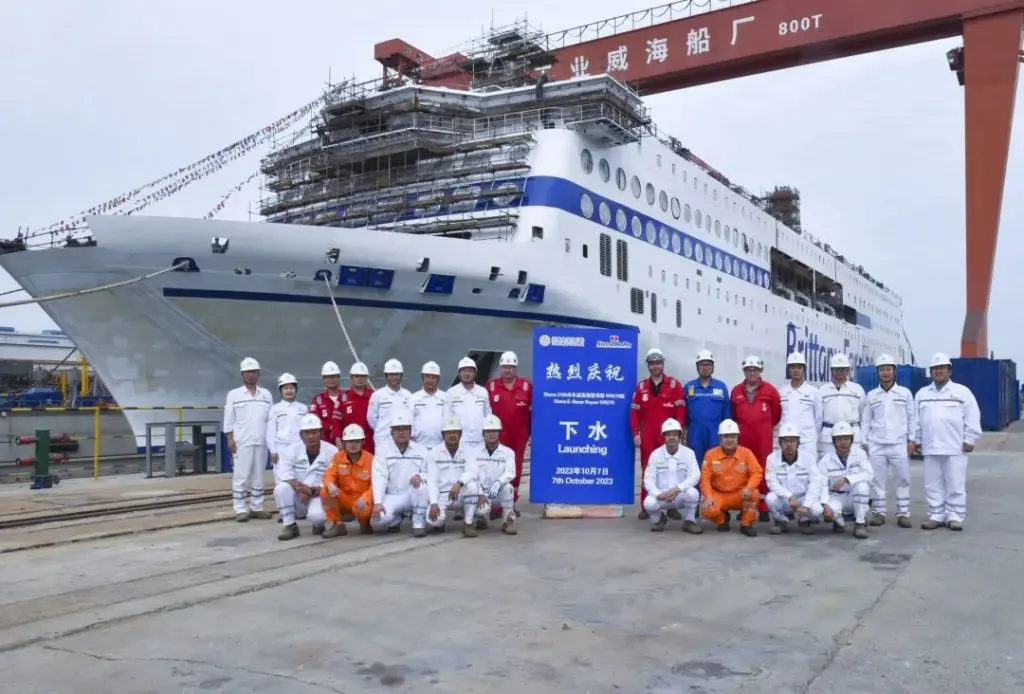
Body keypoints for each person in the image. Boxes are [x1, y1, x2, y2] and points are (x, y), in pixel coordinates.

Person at [911, 352, 982, 531]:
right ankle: (936, 514)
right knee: (932, 484)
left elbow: (972, 416)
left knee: (955, 483)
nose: (939, 371)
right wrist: (916, 440)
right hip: (930, 446)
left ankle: (955, 516)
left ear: (949, 370)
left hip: (955, 446)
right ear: (931, 372)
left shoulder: (961, 392)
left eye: (942, 368)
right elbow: (916, 421)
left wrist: (970, 438)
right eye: (935, 369)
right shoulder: (922, 394)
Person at [630, 347, 686, 519]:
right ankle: (646, 506)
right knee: (648, 469)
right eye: (652, 363)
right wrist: (635, 433)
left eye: (658, 363)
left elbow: (681, 411)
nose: (655, 367)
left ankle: (671, 506)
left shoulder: (674, 385)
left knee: (672, 470)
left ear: (663, 364)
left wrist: (679, 432)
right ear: (648, 366)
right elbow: (634, 413)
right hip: (648, 434)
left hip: (668, 435)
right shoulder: (641, 387)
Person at [862, 353, 916, 528]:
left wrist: (912, 440)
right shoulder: (872, 395)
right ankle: (879, 513)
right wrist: (864, 441)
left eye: (888, 369)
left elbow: (912, 418)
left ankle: (903, 513)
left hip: (899, 443)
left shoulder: (905, 393)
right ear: (878, 372)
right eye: (882, 370)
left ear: (894, 371)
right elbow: (866, 420)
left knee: (902, 479)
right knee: (877, 480)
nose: (885, 373)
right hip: (876, 444)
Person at [223, 357, 274, 523]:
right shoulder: (234, 395)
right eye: (248, 372)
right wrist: (230, 439)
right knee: (241, 476)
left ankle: (257, 507)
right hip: (242, 441)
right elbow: (229, 419)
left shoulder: (266, 395)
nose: (251, 375)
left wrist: (272, 442)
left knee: (259, 475)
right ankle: (240, 509)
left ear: (258, 374)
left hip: (261, 441)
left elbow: (271, 420)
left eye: (254, 372)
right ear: (242, 374)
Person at [730, 355, 781, 518]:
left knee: (764, 469)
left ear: (761, 371)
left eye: (755, 370)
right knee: (743, 470)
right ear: (744, 371)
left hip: (763, 437)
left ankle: (763, 505)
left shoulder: (771, 391)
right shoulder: (736, 391)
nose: (752, 373)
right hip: (743, 437)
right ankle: (746, 506)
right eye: (748, 370)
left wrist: (763, 426)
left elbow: (777, 415)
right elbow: (733, 415)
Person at [274, 414, 337, 540]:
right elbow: (285, 474)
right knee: (281, 488)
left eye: (314, 432)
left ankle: (318, 525)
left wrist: (313, 491)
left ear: (321, 433)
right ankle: (290, 525)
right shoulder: (291, 450)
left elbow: (335, 479)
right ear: (301, 435)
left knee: (317, 517)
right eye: (307, 433)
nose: (311, 436)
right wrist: (302, 489)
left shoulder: (332, 451)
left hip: (319, 495)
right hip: (299, 496)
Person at [370, 409, 431, 536]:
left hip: (413, 494)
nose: (401, 432)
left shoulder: (422, 450)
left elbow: (430, 473)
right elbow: (379, 477)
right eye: (398, 429)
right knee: (379, 520)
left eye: (405, 428)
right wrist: (378, 502)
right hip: (393, 495)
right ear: (391, 432)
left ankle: (418, 522)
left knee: (422, 488)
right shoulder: (382, 451)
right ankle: (396, 519)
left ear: (410, 431)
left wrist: (420, 476)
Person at [699, 418, 762, 537]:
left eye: (733, 436)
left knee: (754, 493)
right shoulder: (710, 454)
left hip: (741, 494)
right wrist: (708, 496)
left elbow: (757, 472)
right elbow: (705, 478)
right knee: (707, 509)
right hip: (719, 494)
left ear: (738, 437)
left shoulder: (747, 453)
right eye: (726, 436)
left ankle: (746, 523)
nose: (729, 440)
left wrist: (749, 487)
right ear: (720, 438)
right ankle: (722, 520)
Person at [486, 351, 532, 512]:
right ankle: (495, 503)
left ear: (516, 368)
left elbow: (536, 410)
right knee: (497, 467)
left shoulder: (526, 386)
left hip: (520, 435)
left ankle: (511, 502)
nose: (507, 370)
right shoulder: (491, 387)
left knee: (516, 468)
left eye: (510, 367)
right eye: (504, 367)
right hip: (498, 436)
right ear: (500, 368)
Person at [422, 415, 481, 537]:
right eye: (448, 432)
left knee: (473, 486)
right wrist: (433, 503)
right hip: (442, 495)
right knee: (433, 521)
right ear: (443, 435)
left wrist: (459, 483)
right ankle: (440, 522)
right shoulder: (434, 453)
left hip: (460, 492)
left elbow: (473, 471)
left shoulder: (468, 450)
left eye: (455, 432)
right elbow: (432, 480)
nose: (452, 435)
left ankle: (468, 523)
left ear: (460, 434)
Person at [641, 418, 702, 534]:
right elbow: (648, 480)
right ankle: (659, 519)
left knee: (693, 493)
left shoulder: (689, 453)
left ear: (680, 436)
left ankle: (689, 521)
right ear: (664, 436)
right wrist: (658, 494)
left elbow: (695, 475)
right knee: (648, 503)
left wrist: (678, 489)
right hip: (662, 496)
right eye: (668, 434)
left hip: (680, 494)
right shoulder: (655, 454)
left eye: (675, 434)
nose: (671, 437)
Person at [463, 414, 518, 535]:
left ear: (499, 433)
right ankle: (480, 518)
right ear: (483, 433)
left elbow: (511, 472)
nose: (491, 434)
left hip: (498, 492)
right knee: (482, 509)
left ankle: (508, 521)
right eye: (488, 431)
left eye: (494, 431)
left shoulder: (508, 453)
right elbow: (471, 474)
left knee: (508, 488)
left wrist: (499, 483)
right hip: (481, 494)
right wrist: (480, 493)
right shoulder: (473, 453)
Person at [764, 423, 824, 534]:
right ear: (780, 443)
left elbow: (816, 483)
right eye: (785, 441)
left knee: (817, 510)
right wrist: (789, 496)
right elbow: (771, 482)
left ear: (798, 442)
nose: (788, 444)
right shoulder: (772, 458)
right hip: (784, 498)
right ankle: (781, 522)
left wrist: (806, 505)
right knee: (770, 498)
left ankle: (804, 521)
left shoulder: (808, 458)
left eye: (792, 441)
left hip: (802, 498)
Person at [817, 421, 872, 539]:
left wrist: (847, 479)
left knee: (863, 486)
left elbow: (869, 474)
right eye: (839, 439)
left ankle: (860, 523)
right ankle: (838, 521)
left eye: (846, 438)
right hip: (835, 497)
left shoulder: (860, 454)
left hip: (854, 495)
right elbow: (821, 486)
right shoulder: (825, 460)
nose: (843, 442)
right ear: (833, 441)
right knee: (830, 510)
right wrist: (825, 505)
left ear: (852, 439)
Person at [320, 423, 374, 537]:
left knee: (363, 512)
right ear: (344, 443)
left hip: (362, 500)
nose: (353, 444)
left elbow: (376, 484)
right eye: (350, 441)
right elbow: (328, 474)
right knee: (325, 490)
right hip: (344, 497)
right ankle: (338, 525)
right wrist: (330, 484)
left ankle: (364, 523)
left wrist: (366, 498)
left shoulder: (371, 459)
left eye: (356, 441)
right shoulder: (337, 457)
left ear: (363, 442)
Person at [683, 349, 731, 470]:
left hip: (715, 434)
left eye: (708, 364)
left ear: (713, 367)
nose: (705, 367)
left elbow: (727, 415)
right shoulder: (689, 387)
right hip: (695, 434)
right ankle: (697, 489)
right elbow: (684, 414)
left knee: (716, 466)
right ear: (697, 367)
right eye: (702, 364)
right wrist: (684, 433)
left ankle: (715, 489)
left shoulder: (721, 387)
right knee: (695, 466)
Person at [818, 353, 866, 458]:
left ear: (848, 370)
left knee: (853, 468)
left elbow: (863, 416)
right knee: (828, 468)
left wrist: (864, 440)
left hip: (852, 436)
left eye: (843, 369)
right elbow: (818, 417)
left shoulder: (857, 390)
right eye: (837, 369)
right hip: (829, 437)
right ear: (831, 371)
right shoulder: (822, 390)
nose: (840, 372)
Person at [778, 351, 823, 464]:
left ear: (804, 369)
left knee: (809, 474)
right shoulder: (781, 392)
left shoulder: (814, 392)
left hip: (806, 442)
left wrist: (809, 434)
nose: (796, 370)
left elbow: (818, 419)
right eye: (793, 367)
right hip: (786, 443)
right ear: (789, 370)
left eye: (799, 367)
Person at [266, 372, 307, 485]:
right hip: (281, 449)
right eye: (285, 388)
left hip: (300, 448)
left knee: (301, 477)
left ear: (296, 389)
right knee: (282, 480)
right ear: (281, 391)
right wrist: (273, 450)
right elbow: (271, 432)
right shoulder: (275, 409)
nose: (289, 391)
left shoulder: (303, 409)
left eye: (291, 388)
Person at [367, 359, 413, 453]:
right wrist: (383, 429)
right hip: (383, 440)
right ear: (386, 376)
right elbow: (371, 419)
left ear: (401, 376)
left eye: (397, 374)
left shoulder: (408, 395)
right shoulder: (377, 395)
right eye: (391, 374)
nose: (394, 377)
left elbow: (412, 417)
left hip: (404, 442)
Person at [445, 357, 491, 449]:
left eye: (470, 371)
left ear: (475, 373)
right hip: (459, 443)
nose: (467, 374)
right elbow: (447, 418)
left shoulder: (483, 392)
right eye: (464, 371)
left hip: (480, 442)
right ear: (459, 373)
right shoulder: (451, 393)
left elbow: (488, 416)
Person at [411, 361, 448, 450]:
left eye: (433, 377)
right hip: (418, 446)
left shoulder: (446, 398)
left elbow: (449, 421)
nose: (430, 380)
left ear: (438, 379)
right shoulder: (413, 398)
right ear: (422, 377)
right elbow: (409, 421)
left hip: (440, 447)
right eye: (427, 377)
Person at [340, 361, 375, 454]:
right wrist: (337, 439)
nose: (360, 379)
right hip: (349, 443)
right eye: (357, 376)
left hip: (370, 444)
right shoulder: (343, 397)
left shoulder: (374, 396)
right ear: (351, 378)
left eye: (363, 376)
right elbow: (336, 421)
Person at [309, 361, 346, 448]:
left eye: (333, 377)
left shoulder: (347, 396)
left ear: (338, 377)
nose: (331, 380)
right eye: (328, 377)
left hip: (347, 441)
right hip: (325, 444)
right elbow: (313, 420)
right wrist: (330, 427)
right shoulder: (318, 400)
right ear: (324, 379)